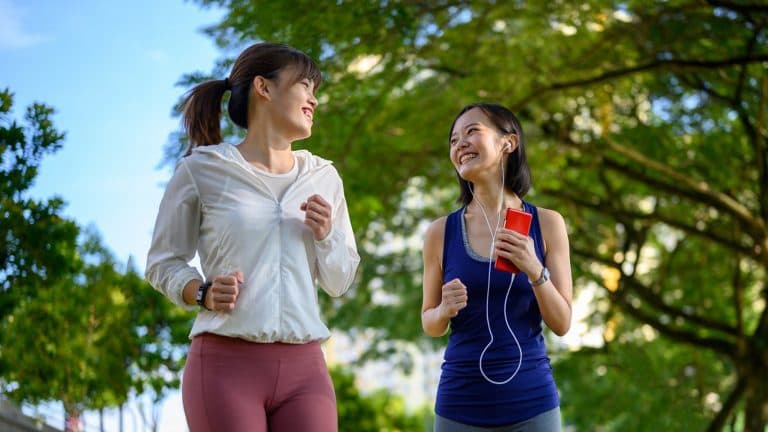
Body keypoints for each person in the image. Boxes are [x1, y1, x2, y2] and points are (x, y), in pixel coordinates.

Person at [145, 42, 360, 432]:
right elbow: (162, 261)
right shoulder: (203, 169)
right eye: (305, 87)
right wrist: (202, 291)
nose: (314, 99)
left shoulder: (324, 176)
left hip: (306, 368)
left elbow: (340, 281)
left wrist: (327, 235)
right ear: (264, 87)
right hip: (226, 366)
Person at [421, 102, 572, 431]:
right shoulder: (438, 233)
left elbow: (561, 323)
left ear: (509, 142)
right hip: (459, 407)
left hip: (533, 405)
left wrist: (535, 270)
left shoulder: (547, 224)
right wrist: (445, 309)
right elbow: (430, 323)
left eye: (472, 131)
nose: (460, 144)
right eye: (453, 140)